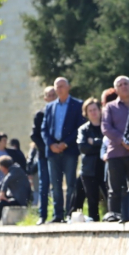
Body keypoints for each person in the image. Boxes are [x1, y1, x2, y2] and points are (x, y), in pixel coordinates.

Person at [41, 77, 85, 222]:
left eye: (62, 86)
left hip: (70, 150)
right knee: (56, 185)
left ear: (68, 87)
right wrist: (51, 144)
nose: (59, 89)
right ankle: (57, 214)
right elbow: (44, 129)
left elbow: (80, 127)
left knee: (71, 183)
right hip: (53, 151)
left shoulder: (77, 105)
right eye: (57, 87)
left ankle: (69, 213)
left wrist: (65, 143)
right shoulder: (49, 107)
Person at [101, 76, 129, 215]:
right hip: (115, 153)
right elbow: (106, 128)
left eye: (126, 83)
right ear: (116, 89)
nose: (123, 86)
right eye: (120, 85)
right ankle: (114, 215)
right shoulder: (110, 107)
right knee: (115, 189)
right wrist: (123, 140)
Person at [30, 86, 56, 225]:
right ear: (45, 98)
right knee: (43, 185)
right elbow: (34, 135)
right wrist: (47, 148)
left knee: (56, 185)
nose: (52, 97)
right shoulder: (40, 114)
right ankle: (43, 215)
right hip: (44, 155)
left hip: (58, 155)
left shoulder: (60, 112)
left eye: (54, 95)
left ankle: (58, 214)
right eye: (49, 95)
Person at [77, 98, 107, 222]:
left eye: (95, 109)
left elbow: (109, 144)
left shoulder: (106, 126)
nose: (93, 112)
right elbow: (83, 147)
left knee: (109, 195)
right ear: (86, 113)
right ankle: (94, 223)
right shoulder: (83, 129)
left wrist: (94, 142)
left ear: (100, 110)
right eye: (90, 110)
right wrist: (100, 145)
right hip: (89, 169)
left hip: (105, 167)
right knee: (92, 199)